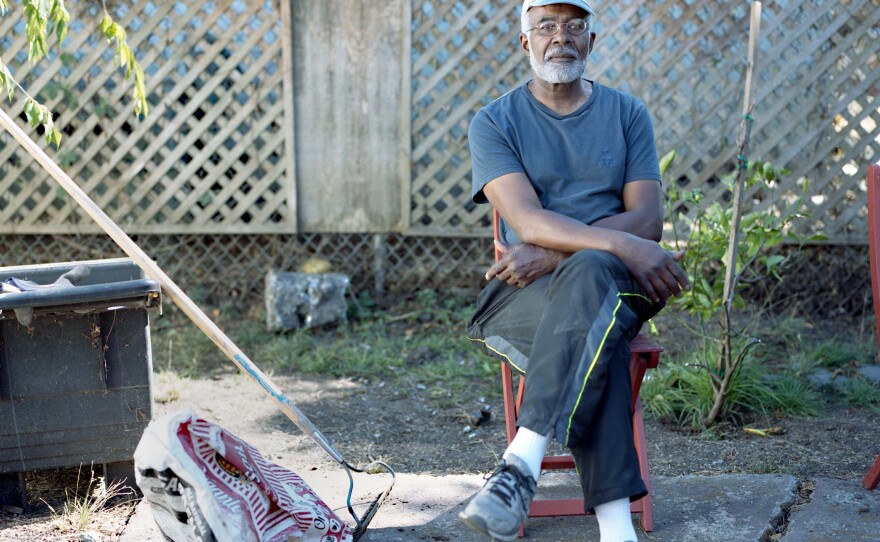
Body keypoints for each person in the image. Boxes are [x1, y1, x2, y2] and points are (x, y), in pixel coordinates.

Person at [458, 1, 690, 541]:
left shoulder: (627, 113)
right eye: (545, 25)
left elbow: (648, 218)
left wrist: (561, 251)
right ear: (525, 42)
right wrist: (609, 244)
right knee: (595, 340)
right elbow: (527, 220)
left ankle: (519, 465)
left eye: (573, 26)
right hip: (529, 290)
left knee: (589, 280)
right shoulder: (494, 122)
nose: (559, 36)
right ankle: (617, 529)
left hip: (624, 281)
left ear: (591, 41)